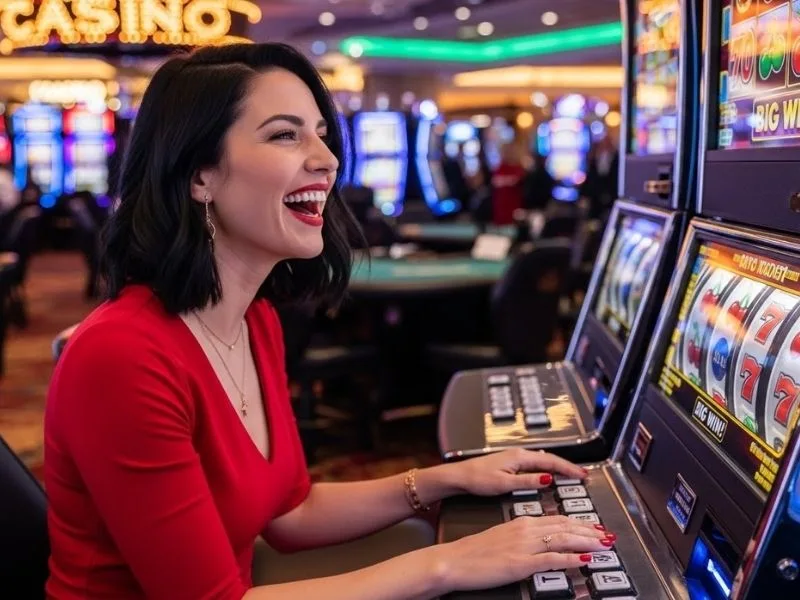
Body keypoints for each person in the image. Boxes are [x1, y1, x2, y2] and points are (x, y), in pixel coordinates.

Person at [44, 43, 614, 600]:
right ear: (200, 176)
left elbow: (291, 514)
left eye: (320, 133)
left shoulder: (255, 319)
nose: (327, 158)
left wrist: (450, 478)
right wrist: (446, 564)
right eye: (285, 134)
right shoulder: (123, 356)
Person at [490, 144, 526, 225]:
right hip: (501, 203)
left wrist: (504, 181)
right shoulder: (500, 167)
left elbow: (516, 181)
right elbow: (495, 182)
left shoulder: (518, 167)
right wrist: (508, 181)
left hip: (514, 203)